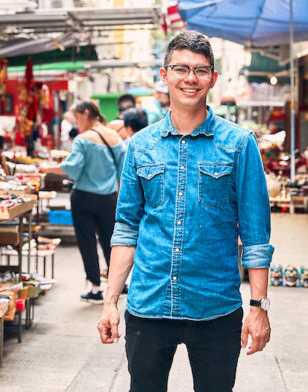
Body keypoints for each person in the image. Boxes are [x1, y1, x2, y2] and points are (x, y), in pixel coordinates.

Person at [98, 31, 274, 392]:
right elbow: (127, 227)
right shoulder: (140, 147)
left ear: (213, 78)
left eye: (200, 70)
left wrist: (259, 306)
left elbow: (256, 236)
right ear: (164, 76)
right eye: (180, 69)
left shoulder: (239, 144)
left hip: (215, 307)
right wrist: (110, 301)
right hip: (149, 304)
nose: (190, 78)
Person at [40, 100, 126, 304]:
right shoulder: (115, 137)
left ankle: (95, 288)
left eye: (78, 118)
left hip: (84, 198)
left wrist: (48, 169)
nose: (77, 124)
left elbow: (72, 168)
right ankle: (119, 285)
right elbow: (122, 172)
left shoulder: (83, 140)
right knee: (110, 241)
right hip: (109, 198)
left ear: (86, 114)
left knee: (87, 242)